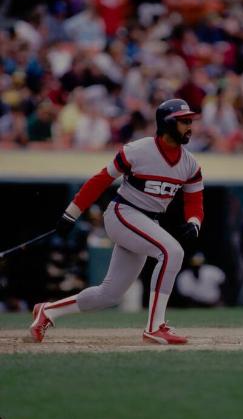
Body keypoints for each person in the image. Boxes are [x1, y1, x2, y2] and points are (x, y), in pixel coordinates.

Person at [30, 98, 204, 345]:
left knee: (109, 295)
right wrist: (71, 213)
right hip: (124, 213)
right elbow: (100, 180)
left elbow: (195, 201)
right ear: (167, 123)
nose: (190, 126)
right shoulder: (137, 150)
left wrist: (194, 221)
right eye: (184, 121)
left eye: (190, 121)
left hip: (147, 222)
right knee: (172, 251)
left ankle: (47, 311)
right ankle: (155, 327)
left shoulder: (190, 164)